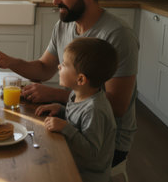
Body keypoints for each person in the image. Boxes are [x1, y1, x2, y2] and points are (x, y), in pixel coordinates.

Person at [0, 0, 139, 166]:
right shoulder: (65, 25)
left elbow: (117, 105)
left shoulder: (118, 35)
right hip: (73, 120)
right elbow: (44, 69)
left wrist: (56, 95)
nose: (55, 1)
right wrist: (10, 61)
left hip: (105, 143)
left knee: (32, 159)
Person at [35, 37, 117, 182]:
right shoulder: (77, 93)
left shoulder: (95, 110)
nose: (59, 66)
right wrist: (60, 109)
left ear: (81, 79)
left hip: (86, 175)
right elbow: (76, 119)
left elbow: (92, 152)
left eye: (65, 65)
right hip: (71, 160)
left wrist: (65, 127)